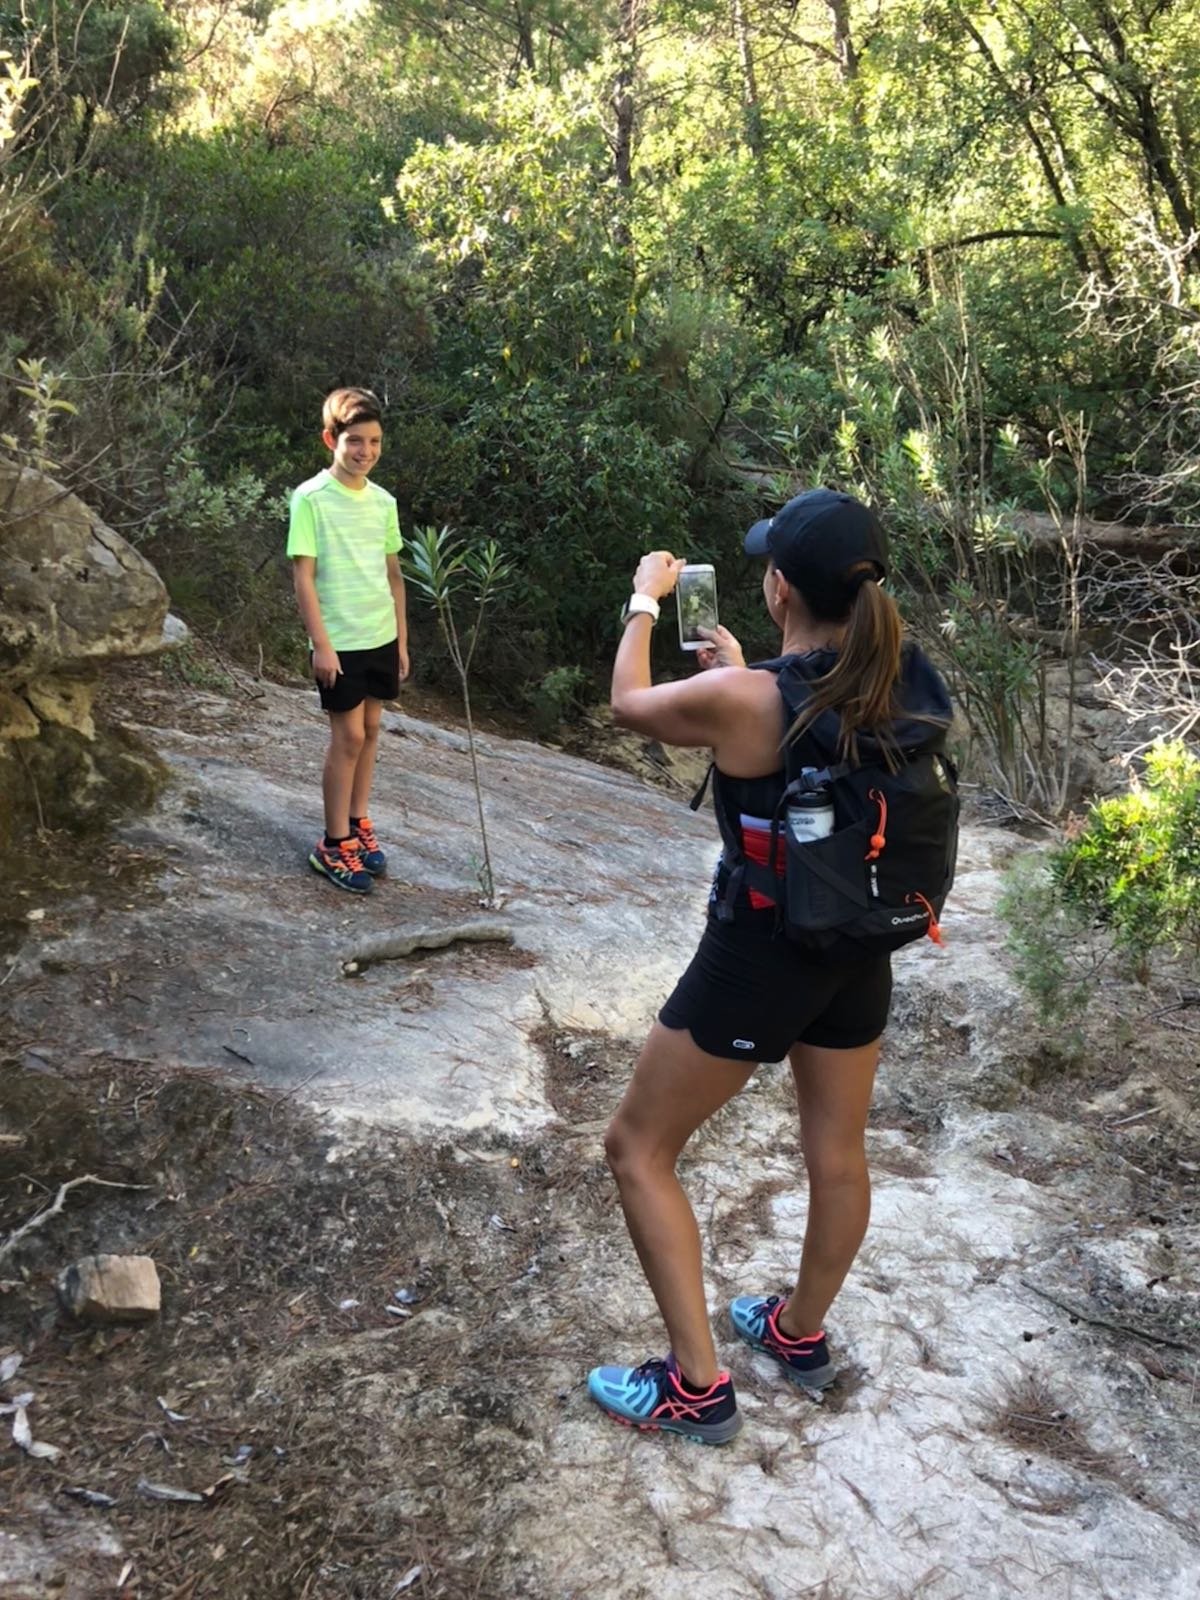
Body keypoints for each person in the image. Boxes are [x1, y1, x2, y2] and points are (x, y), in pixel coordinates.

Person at [587, 489, 953, 1445]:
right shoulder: (895, 677)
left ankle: (696, 1390)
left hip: (761, 957)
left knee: (637, 1148)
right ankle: (797, 1335)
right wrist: (755, 672)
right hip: (858, 952)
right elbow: (806, 726)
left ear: (778, 584)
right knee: (837, 1153)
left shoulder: (749, 701)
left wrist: (644, 598)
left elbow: (628, 702)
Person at [287, 387, 410, 894]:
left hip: (380, 633)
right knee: (349, 736)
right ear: (330, 440)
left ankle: (359, 823)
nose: (366, 451)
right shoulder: (311, 498)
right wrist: (321, 644)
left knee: (374, 728)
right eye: (355, 441)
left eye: (375, 441)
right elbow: (304, 578)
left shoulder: (383, 501)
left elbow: (395, 576)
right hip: (339, 640)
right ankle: (333, 843)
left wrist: (401, 641)